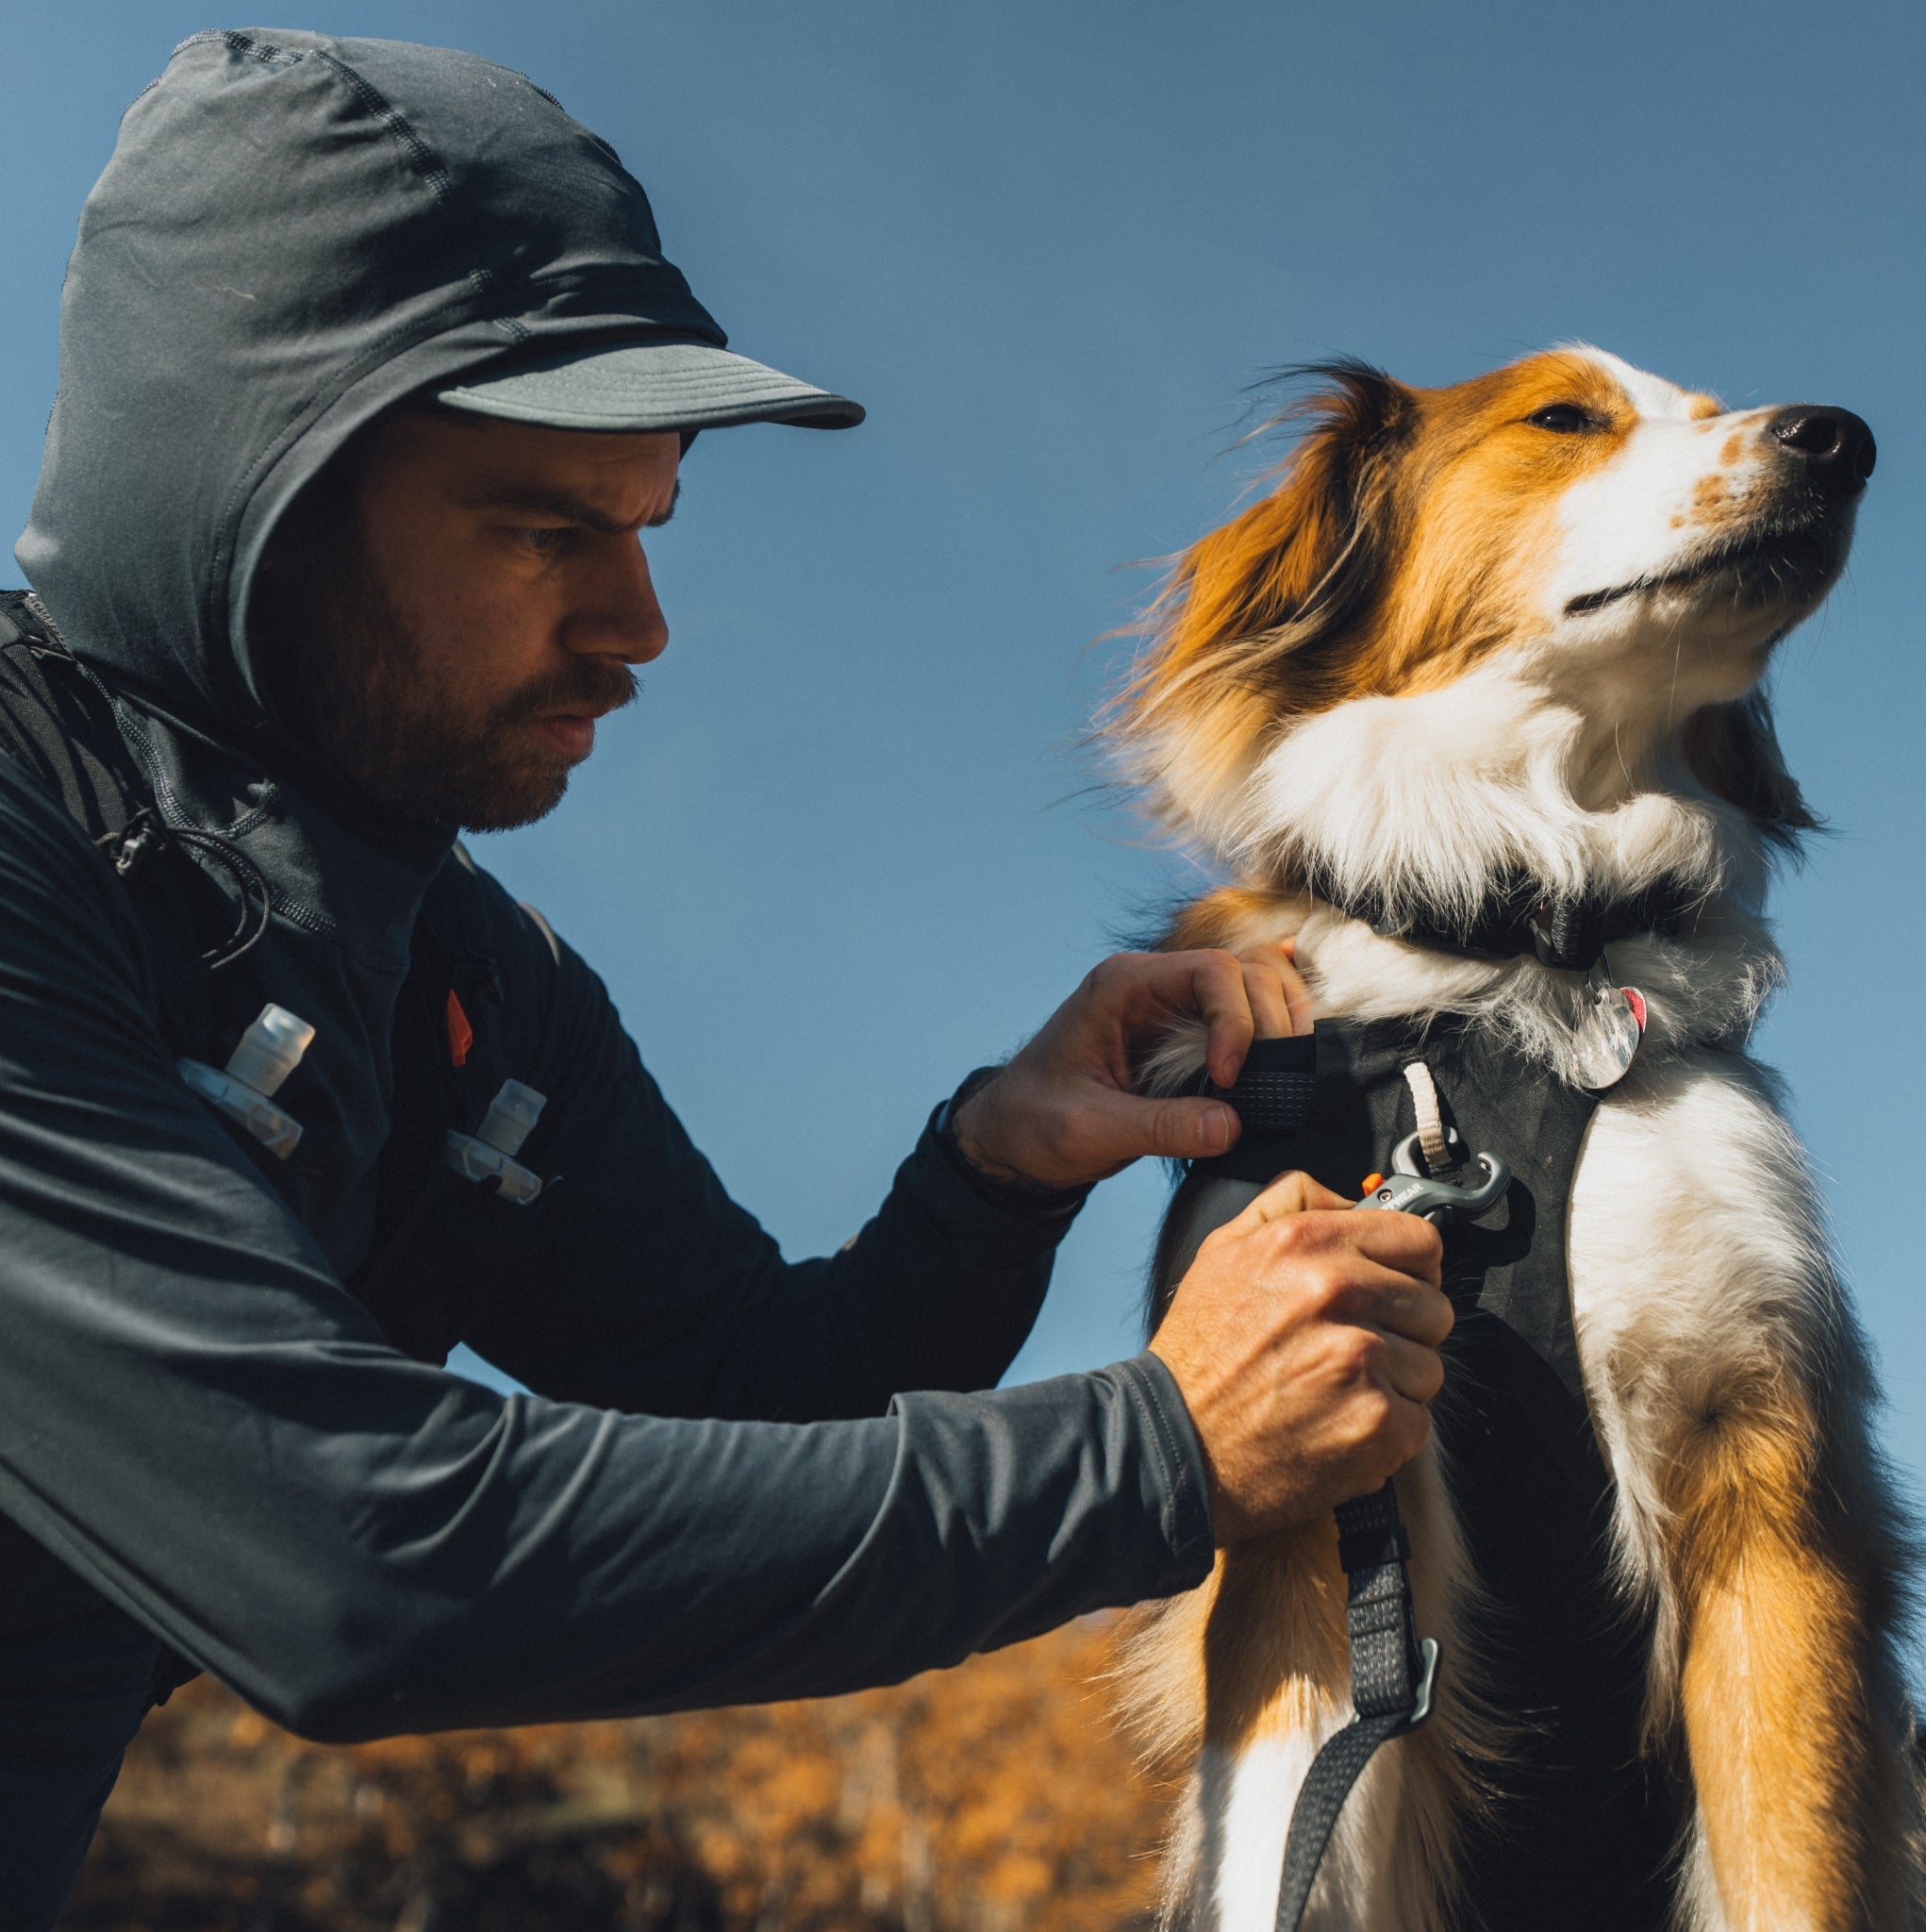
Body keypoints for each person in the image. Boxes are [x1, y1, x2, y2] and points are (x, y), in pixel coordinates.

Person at [0, 30, 1452, 1927]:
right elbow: (348, 1554)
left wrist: (988, 1174)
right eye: (543, 530)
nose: (637, 628)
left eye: (644, 529)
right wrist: (1156, 1452)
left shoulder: (475, 995)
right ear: (249, 491)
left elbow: (762, 1415)